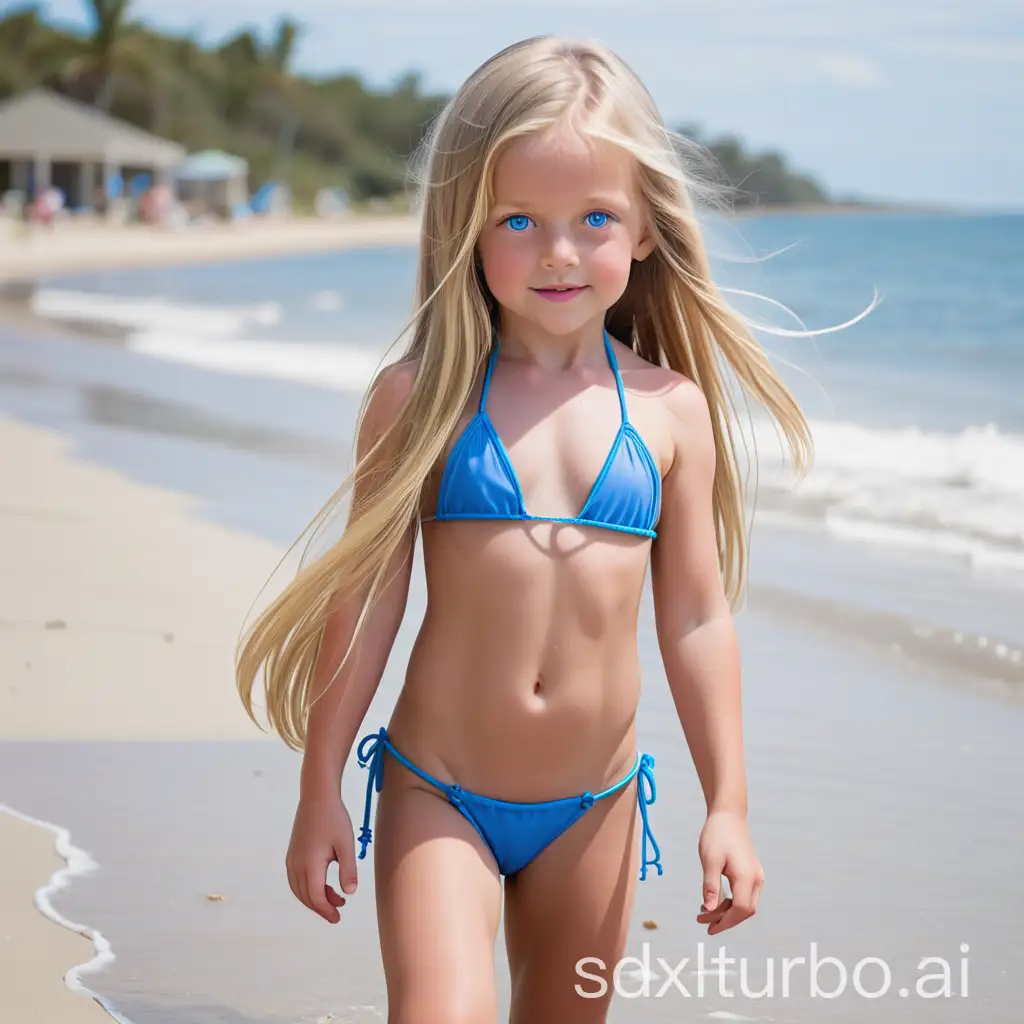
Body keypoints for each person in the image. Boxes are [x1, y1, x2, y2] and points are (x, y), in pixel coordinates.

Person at [237, 35, 818, 1022]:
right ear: (467, 224)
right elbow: (368, 597)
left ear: (643, 231)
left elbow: (694, 617)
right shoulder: (419, 398)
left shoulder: (669, 411)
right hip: (440, 793)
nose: (558, 251)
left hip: (592, 809)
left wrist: (728, 804)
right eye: (519, 220)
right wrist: (320, 786)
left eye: (594, 217)